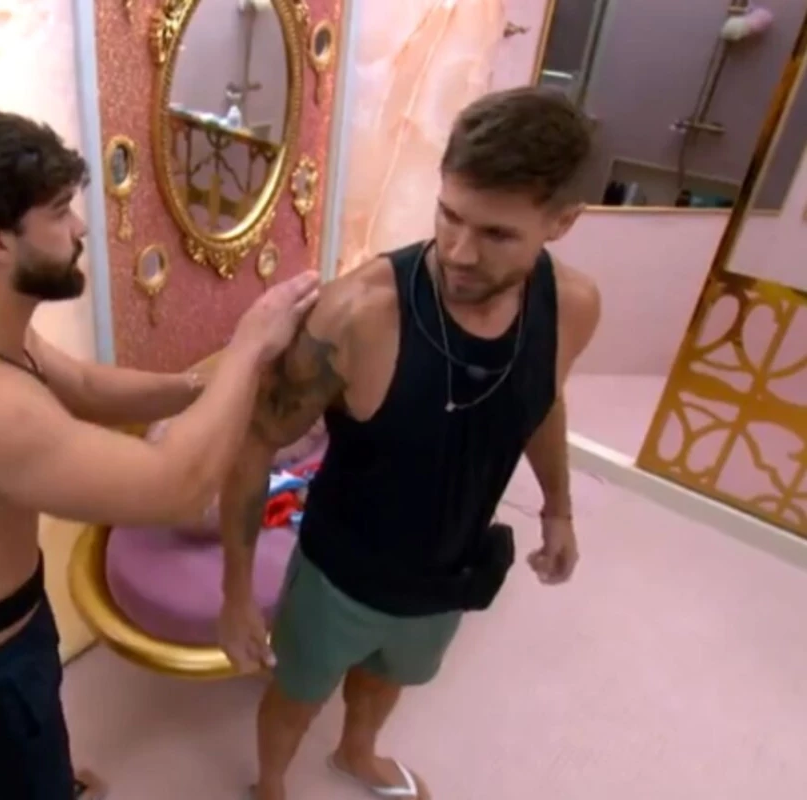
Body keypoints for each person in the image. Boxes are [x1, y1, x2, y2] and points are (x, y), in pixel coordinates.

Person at [0, 102, 319, 800]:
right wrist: (250, 347)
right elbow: (176, 487)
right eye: (59, 213)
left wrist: (200, 385)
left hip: (9, 633)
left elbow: (84, 387)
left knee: (40, 760)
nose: (80, 228)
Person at [217, 86, 603, 800]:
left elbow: (541, 399)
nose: (459, 252)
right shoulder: (359, 314)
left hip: (449, 571)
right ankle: (269, 786)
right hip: (339, 573)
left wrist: (558, 508)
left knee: (389, 679)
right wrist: (236, 593)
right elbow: (254, 442)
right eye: (449, 215)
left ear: (562, 222)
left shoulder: (572, 307)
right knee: (298, 694)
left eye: (496, 235)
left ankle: (356, 753)